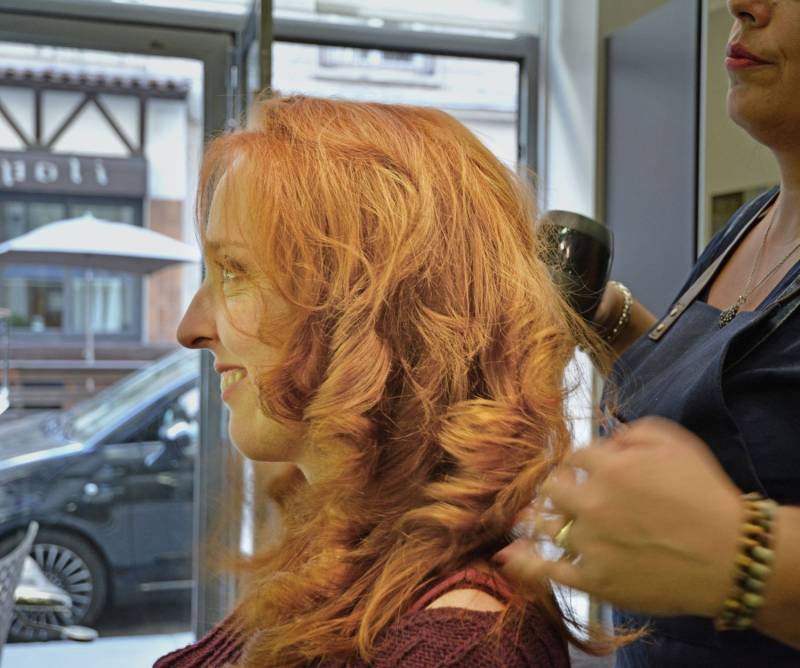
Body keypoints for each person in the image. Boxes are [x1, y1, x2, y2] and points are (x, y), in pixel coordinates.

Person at [156, 94, 604, 667]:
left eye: (233, 272)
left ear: (369, 312)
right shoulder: (348, 563)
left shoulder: (457, 653)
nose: (190, 329)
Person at [493, 0, 800, 665]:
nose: (743, 5)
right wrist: (602, 317)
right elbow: (742, 427)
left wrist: (736, 553)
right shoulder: (755, 223)